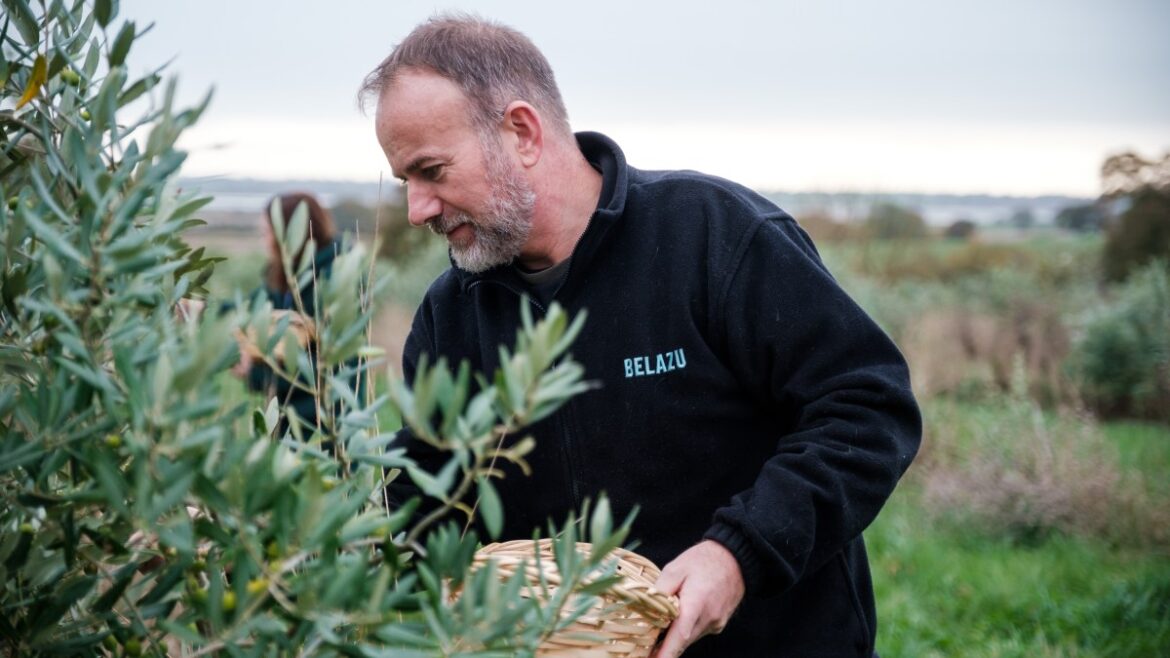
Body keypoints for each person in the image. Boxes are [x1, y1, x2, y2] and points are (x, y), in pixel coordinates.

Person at [362, 15, 921, 657]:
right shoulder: (451, 314)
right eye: (407, 182)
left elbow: (867, 409)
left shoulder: (715, 236)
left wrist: (737, 555)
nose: (417, 210)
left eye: (432, 170)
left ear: (521, 132)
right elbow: (427, 494)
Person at [233, 192, 342, 433]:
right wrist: (201, 308)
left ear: (292, 234)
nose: (264, 241)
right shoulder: (285, 275)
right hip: (285, 419)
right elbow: (246, 309)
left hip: (326, 428)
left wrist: (255, 373)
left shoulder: (335, 280)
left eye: (267, 232)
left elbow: (331, 369)